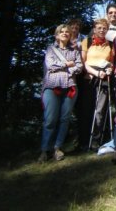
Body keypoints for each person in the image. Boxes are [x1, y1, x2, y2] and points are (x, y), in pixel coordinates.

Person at [39, 24, 83, 162]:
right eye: (61, 32)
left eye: (67, 32)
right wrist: (67, 65)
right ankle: (45, 149)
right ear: (56, 35)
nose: (64, 33)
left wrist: (69, 67)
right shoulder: (50, 49)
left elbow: (79, 67)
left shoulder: (74, 51)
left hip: (69, 87)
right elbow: (50, 65)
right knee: (50, 119)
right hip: (52, 87)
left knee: (64, 119)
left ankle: (57, 147)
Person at [81, 18, 114, 150]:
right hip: (89, 77)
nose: (101, 30)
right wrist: (95, 72)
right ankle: (84, 139)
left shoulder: (110, 44)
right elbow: (83, 62)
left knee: (100, 110)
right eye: (99, 28)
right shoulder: (87, 41)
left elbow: (111, 62)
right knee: (87, 109)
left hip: (104, 78)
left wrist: (110, 69)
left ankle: (96, 139)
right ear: (94, 29)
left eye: (104, 28)